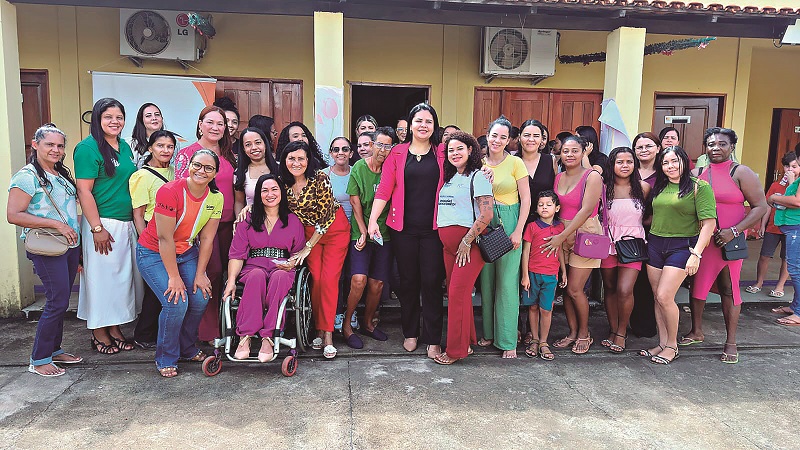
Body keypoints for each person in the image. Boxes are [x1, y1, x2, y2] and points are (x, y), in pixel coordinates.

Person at [682, 128, 768, 364]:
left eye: (722, 144)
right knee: (697, 284)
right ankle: (696, 331)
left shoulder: (740, 172)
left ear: (732, 147)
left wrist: (734, 231)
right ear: (705, 147)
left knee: (729, 288)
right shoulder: (697, 173)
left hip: (730, 240)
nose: (716, 148)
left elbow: (760, 206)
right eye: (711, 144)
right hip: (704, 240)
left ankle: (731, 341)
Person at [368, 103, 446, 358]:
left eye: (429, 121)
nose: (423, 125)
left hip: (434, 230)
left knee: (432, 283)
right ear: (410, 124)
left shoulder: (443, 152)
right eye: (419, 120)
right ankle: (411, 332)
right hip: (404, 230)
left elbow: (469, 164)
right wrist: (372, 220)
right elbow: (384, 189)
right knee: (409, 282)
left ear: (434, 126)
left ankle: (433, 337)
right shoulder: (398, 153)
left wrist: (486, 173)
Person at [136, 149, 222, 377]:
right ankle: (166, 356)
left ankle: (186, 347)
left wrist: (200, 273)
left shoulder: (216, 198)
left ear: (215, 173)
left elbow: (206, 238)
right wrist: (174, 277)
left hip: (186, 251)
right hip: (153, 252)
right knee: (175, 302)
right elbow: (165, 238)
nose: (201, 171)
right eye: (197, 165)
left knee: (200, 296)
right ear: (189, 165)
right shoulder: (170, 191)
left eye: (208, 168)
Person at [7, 124, 82, 376]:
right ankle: (39, 359)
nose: (56, 149)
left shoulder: (59, 174)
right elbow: (13, 215)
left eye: (60, 145)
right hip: (47, 245)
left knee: (60, 300)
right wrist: (56, 224)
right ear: (35, 144)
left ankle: (55, 349)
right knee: (57, 300)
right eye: (50, 144)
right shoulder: (26, 176)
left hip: (68, 245)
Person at [74, 98, 142, 354]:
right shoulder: (88, 148)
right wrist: (96, 228)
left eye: (119, 117)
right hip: (103, 224)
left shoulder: (124, 146)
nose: (114, 122)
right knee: (102, 279)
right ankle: (99, 331)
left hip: (126, 223)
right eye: (108, 117)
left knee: (123, 280)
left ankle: (114, 328)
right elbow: (84, 190)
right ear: (97, 120)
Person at [641, 145, 716, 365]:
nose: (670, 166)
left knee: (665, 296)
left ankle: (672, 346)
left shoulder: (699, 187)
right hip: (655, 243)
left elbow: (709, 224)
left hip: (683, 247)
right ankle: (662, 343)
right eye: (665, 162)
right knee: (657, 297)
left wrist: (697, 255)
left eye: (675, 161)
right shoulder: (660, 187)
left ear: (684, 161)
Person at [280, 141, 350, 359]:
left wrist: (307, 247)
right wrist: (247, 208)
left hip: (334, 230)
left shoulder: (320, 178)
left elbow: (327, 215)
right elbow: (267, 202)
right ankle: (319, 328)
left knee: (329, 279)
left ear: (308, 160)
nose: (296, 163)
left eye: (301, 158)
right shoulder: (282, 184)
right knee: (317, 280)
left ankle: (327, 335)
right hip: (309, 235)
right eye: (291, 158)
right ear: (285, 161)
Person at [225, 174, 306, 362]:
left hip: (283, 268)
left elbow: (298, 254)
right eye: (265, 190)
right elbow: (236, 255)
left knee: (278, 277)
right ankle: (245, 336)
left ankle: (268, 337)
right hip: (254, 265)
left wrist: (291, 263)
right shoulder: (248, 219)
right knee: (256, 276)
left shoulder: (293, 221)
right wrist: (230, 281)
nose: (270, 194)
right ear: (258, 195)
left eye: (274, 189)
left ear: (281, 193)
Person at [174, 105, 235, 344]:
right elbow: (181, 190)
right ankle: (203, 332)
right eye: (210, 122)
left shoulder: (229, 154)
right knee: (205, 274)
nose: (215, 127)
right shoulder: (187, 153)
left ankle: (222, 325)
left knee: (223, 275)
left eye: (220, 124)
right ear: (200, 124)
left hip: (227, 225)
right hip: (200, 226)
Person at [434, 131, 494, 365]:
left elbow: (487, 213)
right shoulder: (450, 178)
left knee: (458, 296)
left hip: (468, 247)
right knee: (457, 295)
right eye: (450, 150)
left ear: (471, 150)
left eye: (460, 148)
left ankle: (455, 351)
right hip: (450, 247)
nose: (455, 153)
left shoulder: (478, 176)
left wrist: (466, 241)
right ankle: (467, 341)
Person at [542, 135, 603, 355]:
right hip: (561, 234)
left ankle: (585, 333)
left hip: (585, 234)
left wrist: (562, 235)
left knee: (576, 289)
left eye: (575, 150)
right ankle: (572, 332)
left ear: (583, 152)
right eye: (565, 151)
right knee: (566, 288)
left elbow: (586, 209)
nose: (569, 155)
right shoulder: (558, 178)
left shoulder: (592, 176)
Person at [479, 116, 531, 359]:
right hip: (486, 222)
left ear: (509, 140)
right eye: (494, 135)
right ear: (487, 135)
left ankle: (508, 339)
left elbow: (526, 199)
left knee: (508, 284)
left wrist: (519, 230)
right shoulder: (479, 163)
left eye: (503, 136)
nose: (497, 140)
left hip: (510, 220)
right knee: (487, 281)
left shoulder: (516, 163)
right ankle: (490, 333)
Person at [341, 127, 396, 349]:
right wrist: (363, 231)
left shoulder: (392, 169)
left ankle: (368, 323)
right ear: (371, 144)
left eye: (387, 146)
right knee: (358, 280)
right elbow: (355, 203)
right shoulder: (359, 169)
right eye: (379, 144)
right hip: (360, 231)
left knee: (377, 284)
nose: (383, 150)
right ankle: (347, 324)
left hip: (385, 233)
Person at [128, 130, 177, 349]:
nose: (165, 150)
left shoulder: (176, 172)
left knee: (169, 287)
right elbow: (138, 214)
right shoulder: (142, 176)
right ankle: (144, 334)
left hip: (175, 234)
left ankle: (158, 332)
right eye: (160, 146)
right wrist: (145, 240)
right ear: (150, 148)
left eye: (169, 146)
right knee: (157, 287)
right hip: (152, 233)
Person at [599, 147, 650, 353]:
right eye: (620, 162)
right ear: (612, 164)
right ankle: (612, 330)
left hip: (633, 244)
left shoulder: (643, 187)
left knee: (624, 289)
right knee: (609, 288)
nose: (625, 166)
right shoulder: (603, 188)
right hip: (607, 243)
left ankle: (621, 332)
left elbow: (650, 216)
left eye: (629, 162)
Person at [521, 190, 567, 361]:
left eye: (549, 204)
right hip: (533, 273)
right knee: (532, 307)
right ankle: (533, 339)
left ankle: (543, 342)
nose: (544, 207)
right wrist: (525, 275)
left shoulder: (560, 228)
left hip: (550, 275)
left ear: (557, 208)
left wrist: (563, 271)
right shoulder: (532, 227)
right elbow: (525, 252)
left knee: (546, 309)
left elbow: (560, 250)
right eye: (541, 205)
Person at [749, 152, 796, 298]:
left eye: (794, 166)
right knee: (764, 255)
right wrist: (762, 225)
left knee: (787, 258)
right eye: (787, 166)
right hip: (773, 226)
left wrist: (792, 182)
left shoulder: (797, 186)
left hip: (791, 227)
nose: (790, 169)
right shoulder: (776, 185)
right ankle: (759, 283)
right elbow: (768, 205)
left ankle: (780, 286)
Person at [770, 151, 800, 326]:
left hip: (796, 227)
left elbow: (797, 201)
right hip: (791, 227)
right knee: (795, 267)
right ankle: (795, 306)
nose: (791, 169)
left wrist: (774, 197)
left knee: (796, 270)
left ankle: (799, 312)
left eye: (795, 165)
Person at [233, 127, 278, 214]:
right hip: (252, 221)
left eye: (258, 143)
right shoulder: (240, 173)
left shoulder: (280, 168)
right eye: (248, 145)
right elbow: (239, 202)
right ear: (243, 149)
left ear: (265, 144)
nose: (254, 147)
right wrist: (238, 223)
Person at [519, 119, 557, 222]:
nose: (531, 139)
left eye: (536, 136)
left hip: (544, 222)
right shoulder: (513, 161)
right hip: (516, 220)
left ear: (541, 139)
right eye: (526, 135)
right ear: (519, 137)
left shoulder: (550, 161)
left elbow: (556, 192)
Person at [130, 102, 174, 169]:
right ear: (142, 120)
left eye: (157, 115)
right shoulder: (132, 143)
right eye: (148, 116)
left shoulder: (173, 140)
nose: (154, 118)